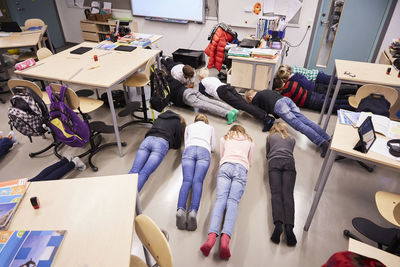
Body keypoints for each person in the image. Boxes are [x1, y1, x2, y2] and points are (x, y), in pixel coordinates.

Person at [200, 125, 254, 259]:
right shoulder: (250, 141)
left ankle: (211, 238)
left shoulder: (224, 138)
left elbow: (222, 156)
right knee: (232, 202)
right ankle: (225, 240)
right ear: (243, 131)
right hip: (241, 168)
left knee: (220, 200)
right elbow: (250, 161)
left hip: (226, 166)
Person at [244, 89, 331, 157]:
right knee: (306, 121)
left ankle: (323, 144)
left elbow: (260, 113)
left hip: (280, 106)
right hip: (286, 100)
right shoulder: (265, 91)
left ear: (250, 98)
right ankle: (327, 138)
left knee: (300, 126)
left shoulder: (255, 99)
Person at [197, 68, 273, 131]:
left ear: (200, 77)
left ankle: (267, 119)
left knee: (244, 106)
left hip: (222, 92)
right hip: (227, 87)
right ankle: (264, 114)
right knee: (244, 104)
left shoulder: (202, 82)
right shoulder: (212, 78)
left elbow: (201, 95)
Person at [129, 110, 186, 192]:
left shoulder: (159, 117)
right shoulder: (178, 122)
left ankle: (124, 196)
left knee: (134, 170)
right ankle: (131, 199)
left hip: (147, 140)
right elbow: (177, 145)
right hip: (161, 144)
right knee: (144, 173)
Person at [176, 114, 215, 231]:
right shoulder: (210, 128)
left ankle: (180, 209)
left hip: (189, 150)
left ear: (195, 120)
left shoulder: (189, 127)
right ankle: (193, 211)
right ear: (206, 121)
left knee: (186, 180)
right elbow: (213, 147)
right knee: (197, 181)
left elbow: (186, 142)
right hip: (204, 151)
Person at [267, 122, 297, 246]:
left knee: (276, 194)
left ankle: (278, 224)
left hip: (274, 162)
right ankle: (289, 227)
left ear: (274, 129)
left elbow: (267, 154)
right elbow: (291, 152)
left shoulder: (269, 137)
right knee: (288, 195)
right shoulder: (292, 139)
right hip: (289, 163)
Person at [165, 75, 238, 124]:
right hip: (190, 90)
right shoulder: (170, 78)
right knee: (210, 101)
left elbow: (168, 97)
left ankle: (227, 113)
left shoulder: (164, 85)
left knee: (206, 105)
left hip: (186, 96)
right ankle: (231, 109)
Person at [273, 77, 355, 113]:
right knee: (335, 100)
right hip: (313, 94)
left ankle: (354, 108)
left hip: (311, 102)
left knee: (334, 107)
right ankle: (354, 102)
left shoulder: (285, 92)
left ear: (277, 89)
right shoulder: (291, 82)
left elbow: (288, 104)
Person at [276, 65, 358, 95]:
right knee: (334, 82)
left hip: (317, 77)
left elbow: (306, 83)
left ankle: (353, 85)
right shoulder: (294, 69)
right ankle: (353, 85)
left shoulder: (294, 78)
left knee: (335, 82)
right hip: (317, 74)